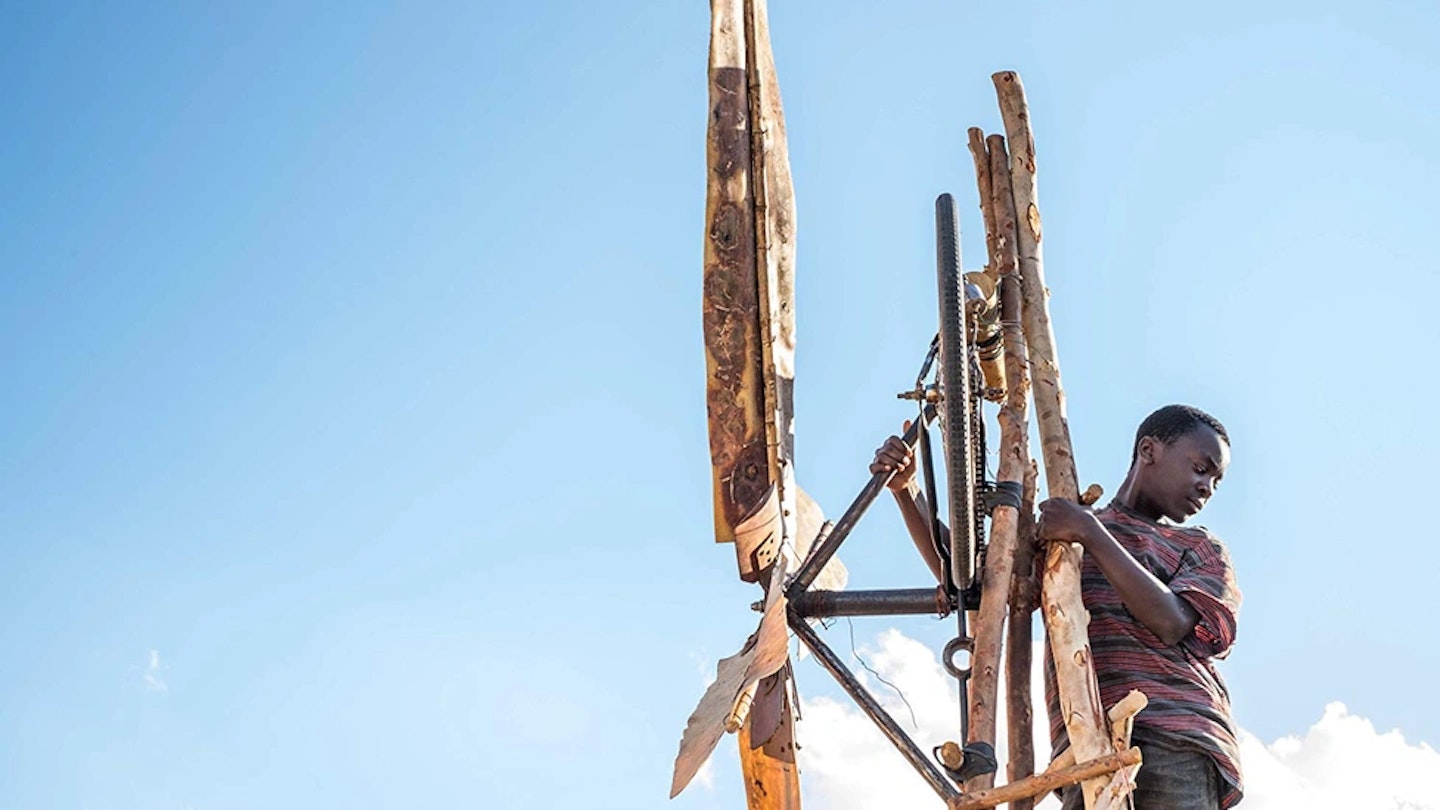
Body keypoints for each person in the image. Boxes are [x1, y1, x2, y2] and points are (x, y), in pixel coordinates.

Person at [871, 404, 1243, 809]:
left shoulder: (1199, 548)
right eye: (1201, 468)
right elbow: (978, 582)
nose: (1207, 486)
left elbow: (1171, 623)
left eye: (1217, 481)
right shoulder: (1062, 539)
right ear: (1149, 450)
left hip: (1174, 737)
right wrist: (907, 492)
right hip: (1082, 744)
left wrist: (1089, 531)